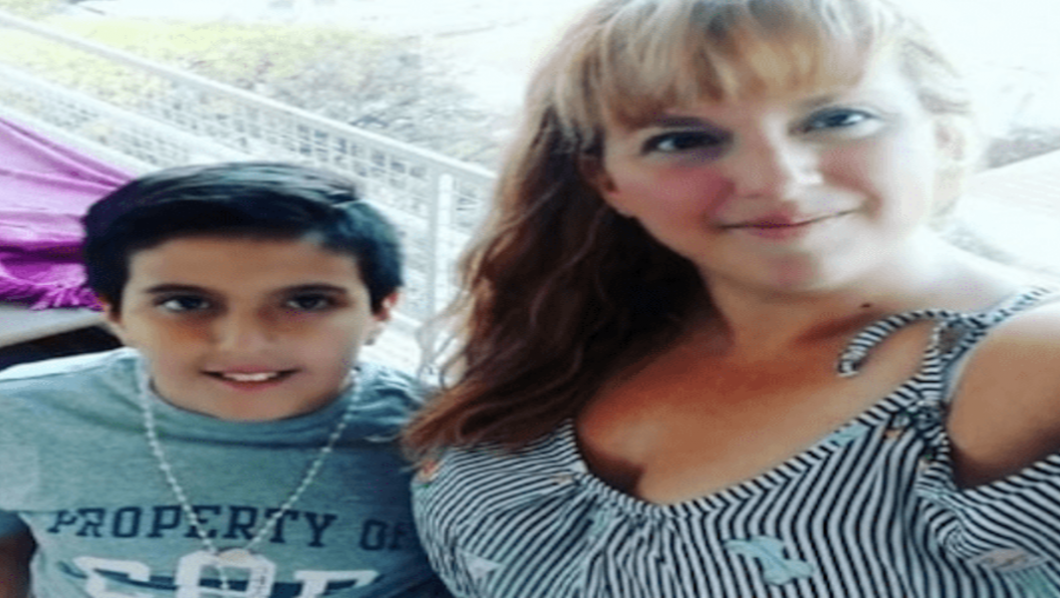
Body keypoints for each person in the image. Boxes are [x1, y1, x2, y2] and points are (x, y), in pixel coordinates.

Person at [405, 0, 1060, 595]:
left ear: (943, 135)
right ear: (606, 179)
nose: (776, 179)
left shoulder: (1025, 362)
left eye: (837, 119)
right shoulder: (578, 323)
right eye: (684, 139)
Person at [0, 162, 452, 597]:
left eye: (307, 301)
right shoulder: (22, 414)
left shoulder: (445, 438)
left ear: (380, 312)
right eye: (185, 303)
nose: (245, 342)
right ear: (115, 313)